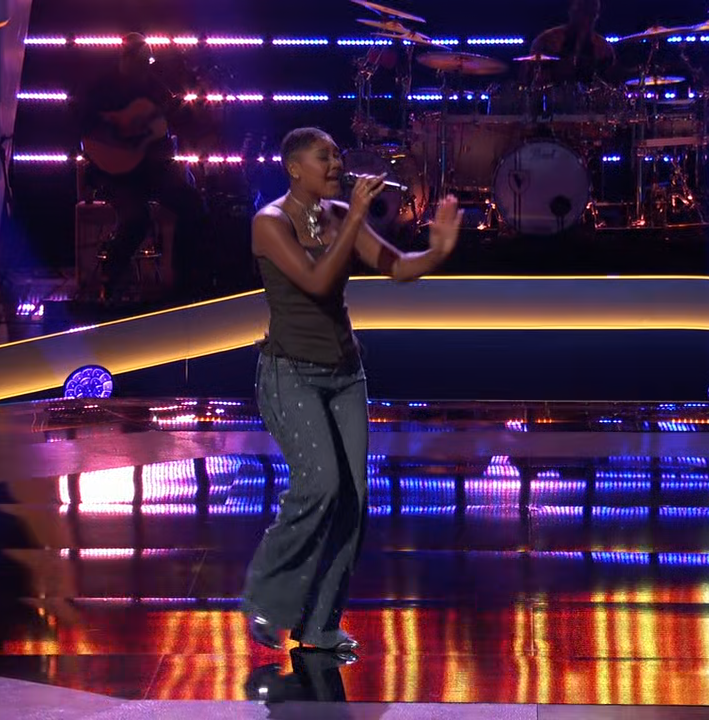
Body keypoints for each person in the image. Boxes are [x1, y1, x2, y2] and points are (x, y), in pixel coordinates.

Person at [240, 127, 460, 657]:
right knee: (321, 486)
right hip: (290, 373)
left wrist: (437, 251)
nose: (337, 163)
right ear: (294, 168)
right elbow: (317, 282)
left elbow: (397, 267)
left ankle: (320, 624)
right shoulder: (270, 222)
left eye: (338, 154)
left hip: (345, 373)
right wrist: (357, 215)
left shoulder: (339, 215)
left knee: (353, 499)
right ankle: (266, 599)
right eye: (324, 156)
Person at [76, 32, 208, 302]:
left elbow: (174, 120)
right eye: (139, 62)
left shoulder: (154, 86)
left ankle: (184, 284)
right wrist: (120, 130)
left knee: (193, 205)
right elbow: (82, 123)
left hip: (152, 169)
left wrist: (187, 112)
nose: (144, 68)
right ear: (125, 58)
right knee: (137, 218)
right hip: (115, 174)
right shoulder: (102, 87)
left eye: (146, 63)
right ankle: (111, 281)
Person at [528, 0, 616, 85]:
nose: (585, 18)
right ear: (571, 11)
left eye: (590, 13)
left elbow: (610, 81)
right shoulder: (547, 40)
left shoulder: (604, 48)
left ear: (596, 16)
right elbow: (532, 72)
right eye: (581, 11)